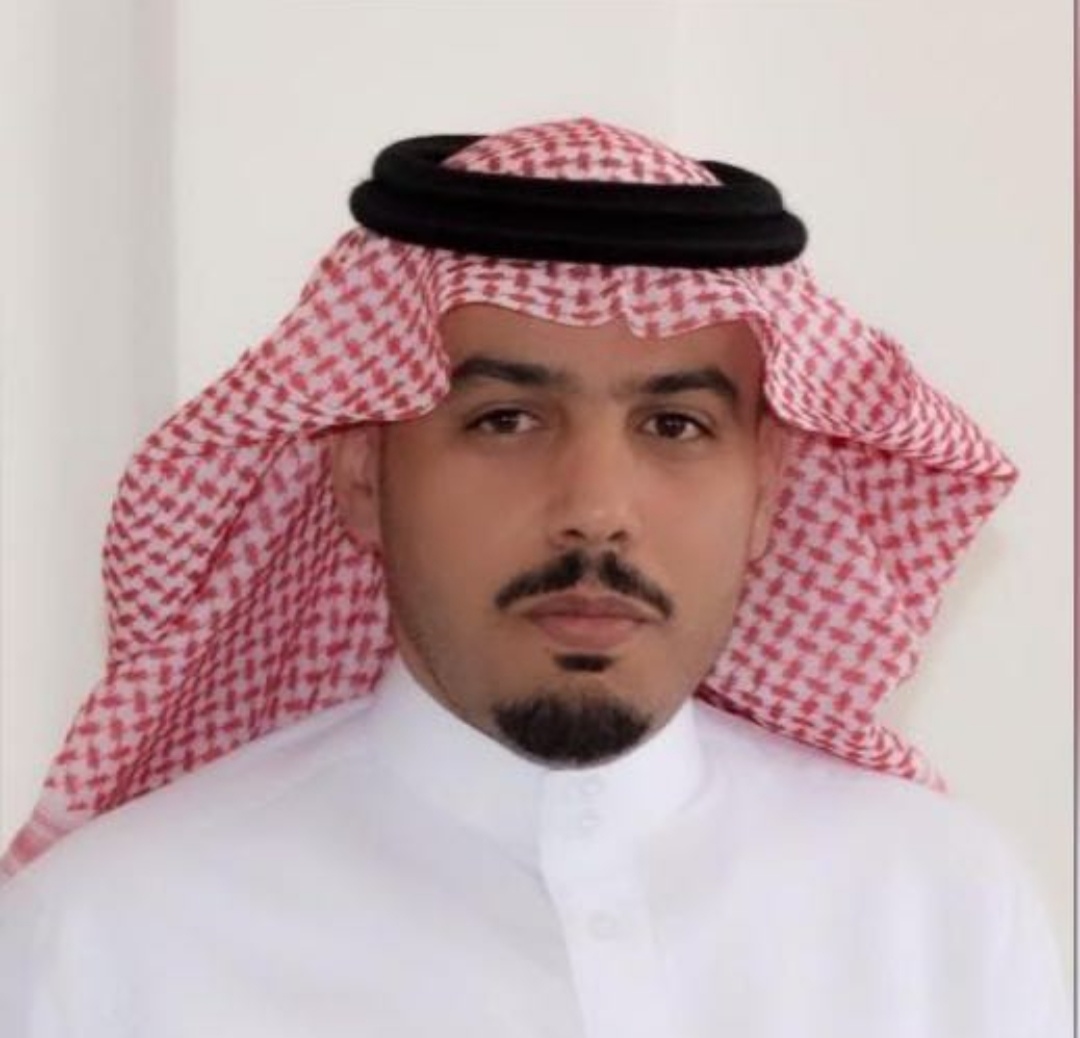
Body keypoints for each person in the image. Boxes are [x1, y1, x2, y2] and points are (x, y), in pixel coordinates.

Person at [0, 117, 1066, 1036]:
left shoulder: (939, 915)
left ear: (769, 490)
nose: (596, 507)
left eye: (675, 425)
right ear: (363, 473)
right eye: (506, 420)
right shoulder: (111, 945)